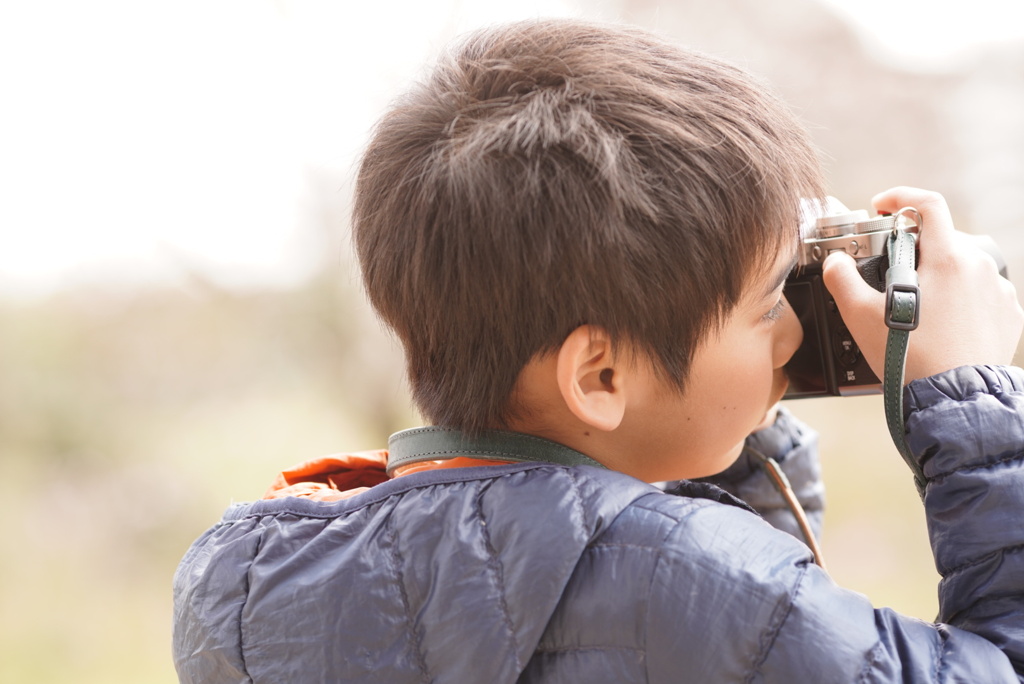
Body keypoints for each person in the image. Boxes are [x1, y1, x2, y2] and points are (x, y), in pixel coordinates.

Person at [172, 19, 1024, 682]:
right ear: (601, 376)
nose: (797, 326)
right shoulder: (693, 585)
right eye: (773, 305)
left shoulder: (247, 579)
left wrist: (742, 375)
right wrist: (969, 405)